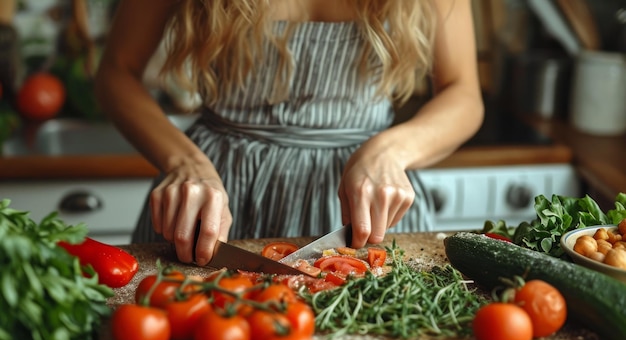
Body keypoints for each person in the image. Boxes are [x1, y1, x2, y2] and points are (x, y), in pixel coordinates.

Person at [94, 0, 484, 266]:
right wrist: (185, 163)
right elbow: (117, 72)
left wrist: (390, 152)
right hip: (217, 194)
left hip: (369, 198)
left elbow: (463, 93)